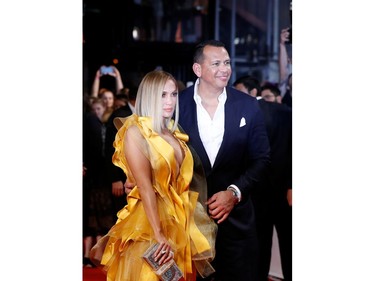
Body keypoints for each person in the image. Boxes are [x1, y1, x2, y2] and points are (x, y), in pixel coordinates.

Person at [91, 70, 217, 281]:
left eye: (173, 94)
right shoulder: (135, 132)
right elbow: (145, 186)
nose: (170, 101)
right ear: (149, 95)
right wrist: (158, 233)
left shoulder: (175, 134)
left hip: (180, 221)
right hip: (149, 224)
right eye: (162, 95)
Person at [178, 40, 271, 281]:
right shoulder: (177, 104)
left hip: (237, 223)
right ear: (198, 69)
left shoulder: (248, 106)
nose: (225, 69)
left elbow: (261, 159)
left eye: (227, 63)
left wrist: (234, 192)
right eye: (216, 63)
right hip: (188, 223)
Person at [234, 76, 292, 281]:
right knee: (286, 245)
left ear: (252, 92)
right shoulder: (285, 111)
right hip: (282, 191)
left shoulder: (244, 115)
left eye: (238, 91)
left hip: (259, 192)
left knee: (262, 245)